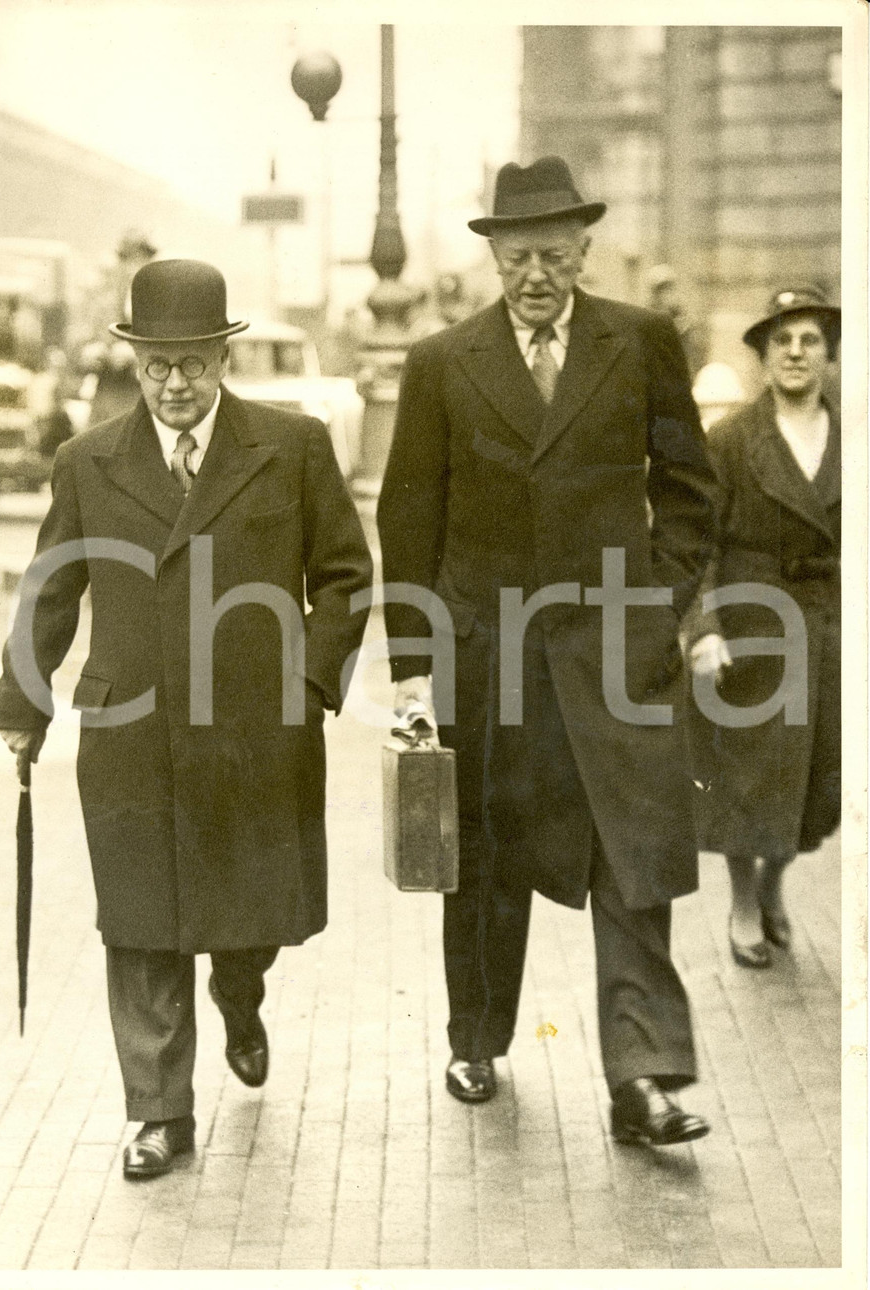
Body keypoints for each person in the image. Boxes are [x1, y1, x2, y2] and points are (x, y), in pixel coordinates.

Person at [0, 259, 373, 1179]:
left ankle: (240, 994)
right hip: (132, 732)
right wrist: (22, 702)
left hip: (254, 731)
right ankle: (159, 1112)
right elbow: (52, 591)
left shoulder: (291, 446)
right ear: (135, 363)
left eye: (193, 363)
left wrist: (310, 684)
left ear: (223, 358)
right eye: (157, 365)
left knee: (245, 921)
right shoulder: (86, 462)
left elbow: (344, 576)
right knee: (142, 921)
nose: (174, 384)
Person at [376, 156, 718, 1147]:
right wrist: (413, 665)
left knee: (632, 858)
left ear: (583, 252)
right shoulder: (442, 362)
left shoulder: (641, 342)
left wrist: (653, 607)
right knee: (485, 860)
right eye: (520, 256)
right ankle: (477, 1040)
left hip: (615, 651)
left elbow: (690, 491)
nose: (537, 275)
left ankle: (643, 1079)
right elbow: (409, 517)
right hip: (490, 657)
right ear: (493, 257)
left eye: (555, 256)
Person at [687, 287, 841, 968]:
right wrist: (705, 629)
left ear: (829, 355)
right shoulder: (730, 441)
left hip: (829, 626)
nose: (795, 353)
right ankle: (745, 902)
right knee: (747, 780)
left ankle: (775, 883)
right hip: (752, 627)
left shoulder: (854, 437)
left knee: (820, 782)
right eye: (782, 341)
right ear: (763, 355)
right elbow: (698, 544)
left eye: (810, 340)